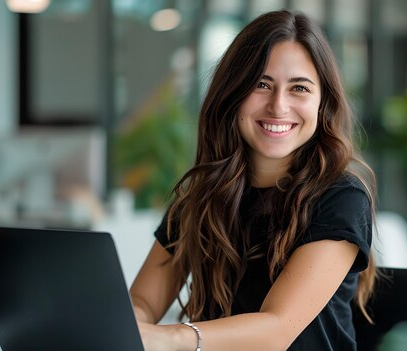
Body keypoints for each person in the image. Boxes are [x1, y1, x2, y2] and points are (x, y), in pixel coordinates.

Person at [130, 9, 377, 351]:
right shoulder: (203, 196)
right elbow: (142, 301)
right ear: (233, 93)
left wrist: (172, 337)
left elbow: (276, 330)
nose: (278, 106)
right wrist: (131, 324)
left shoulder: (341, 199)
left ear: (323, 104)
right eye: (262, 84)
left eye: (299, 88)